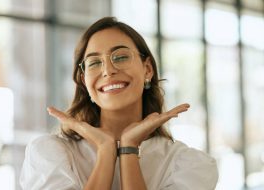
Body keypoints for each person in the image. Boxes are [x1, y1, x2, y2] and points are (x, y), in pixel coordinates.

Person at [20, 17, 218, 190]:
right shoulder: (50, 154)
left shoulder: (188, 165)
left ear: (147, 69)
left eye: (121, 57)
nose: (107, 70)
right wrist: (106, 150)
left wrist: (128, 148)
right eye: (94, 62)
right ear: (84, 80)